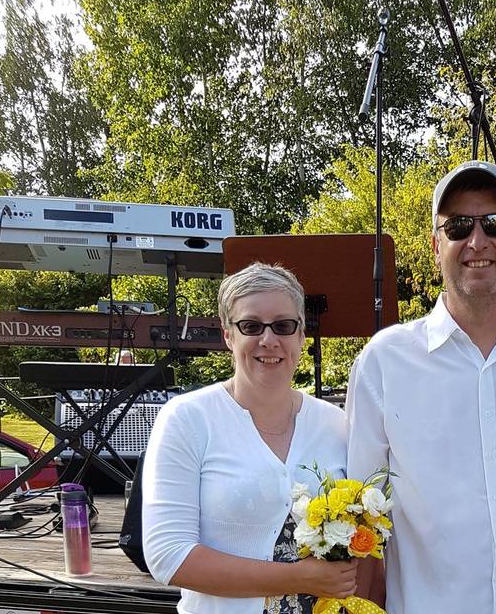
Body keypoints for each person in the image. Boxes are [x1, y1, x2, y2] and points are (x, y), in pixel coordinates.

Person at [347, 160, 496, 614]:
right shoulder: (385, 362)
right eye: (458, 226)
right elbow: (363, 524)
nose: (477, 241)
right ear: (436, 244)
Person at [142, 262, 356, 614]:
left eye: (284, 326)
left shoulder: (336, 423)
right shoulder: (188, 418)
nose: (269, 340)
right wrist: (299, 578)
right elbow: (169, 556)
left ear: (301, 334)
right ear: (228, 335)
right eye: (251, 325)